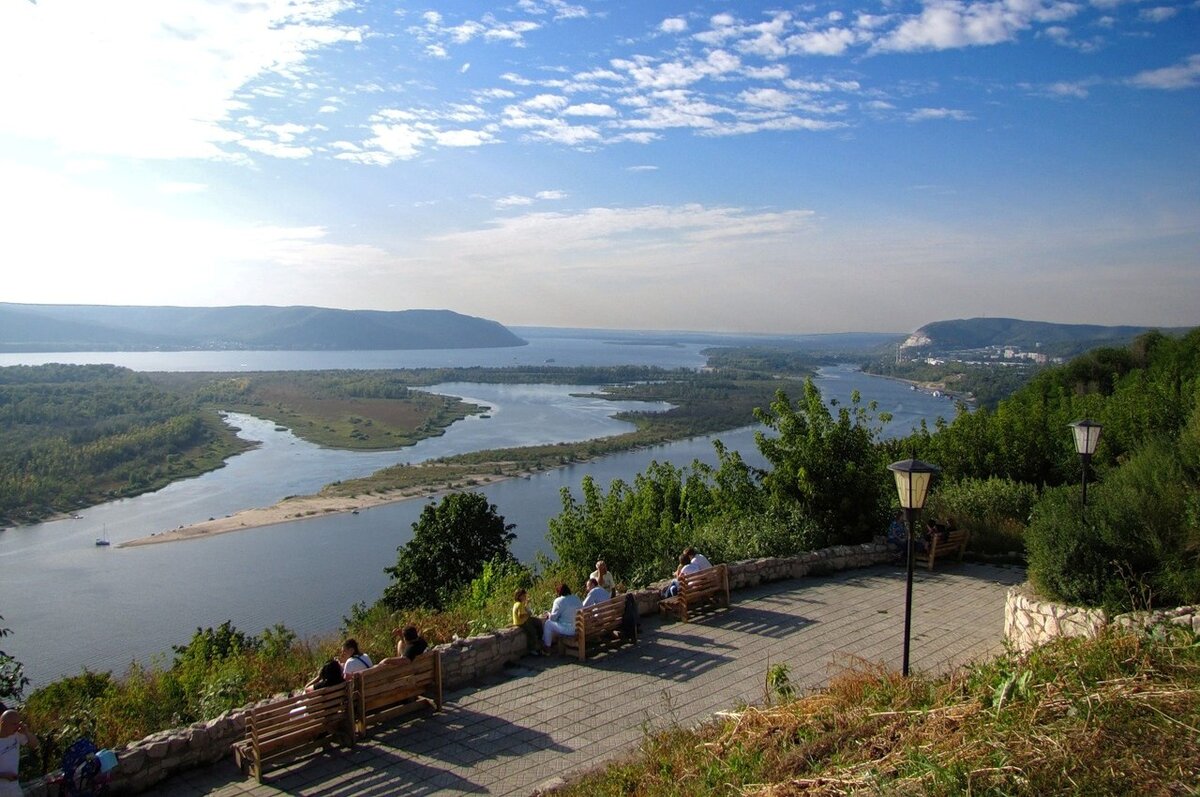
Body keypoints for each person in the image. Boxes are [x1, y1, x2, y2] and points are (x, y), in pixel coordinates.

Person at [0, 709, 37, 797]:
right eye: (14, 724)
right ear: (2, 724)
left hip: (13, 786)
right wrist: (3, 775)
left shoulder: (16, 735)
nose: (17, 727)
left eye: (18, 723)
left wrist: (26, 732)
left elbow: (34, 744)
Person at [542, 583, 583, 651]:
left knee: (548, 624)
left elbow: (553, 618)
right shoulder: (576, 598)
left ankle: (547, 647)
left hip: (569, 630)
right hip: (579, 628)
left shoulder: (559, 601)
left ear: (559, 592)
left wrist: (549, 614)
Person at [512, 588, 544, 656]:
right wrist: (528, 614)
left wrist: (527, 604)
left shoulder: (518, 603)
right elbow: (520, 615)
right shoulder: (519, 604)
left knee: (538, 622)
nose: (525, 597)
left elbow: (523, 610)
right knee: (532, 632)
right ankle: (532, 648)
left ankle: (540, 641)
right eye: (524, 596)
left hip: (525, 619)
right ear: (520, 596)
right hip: (522, 622)